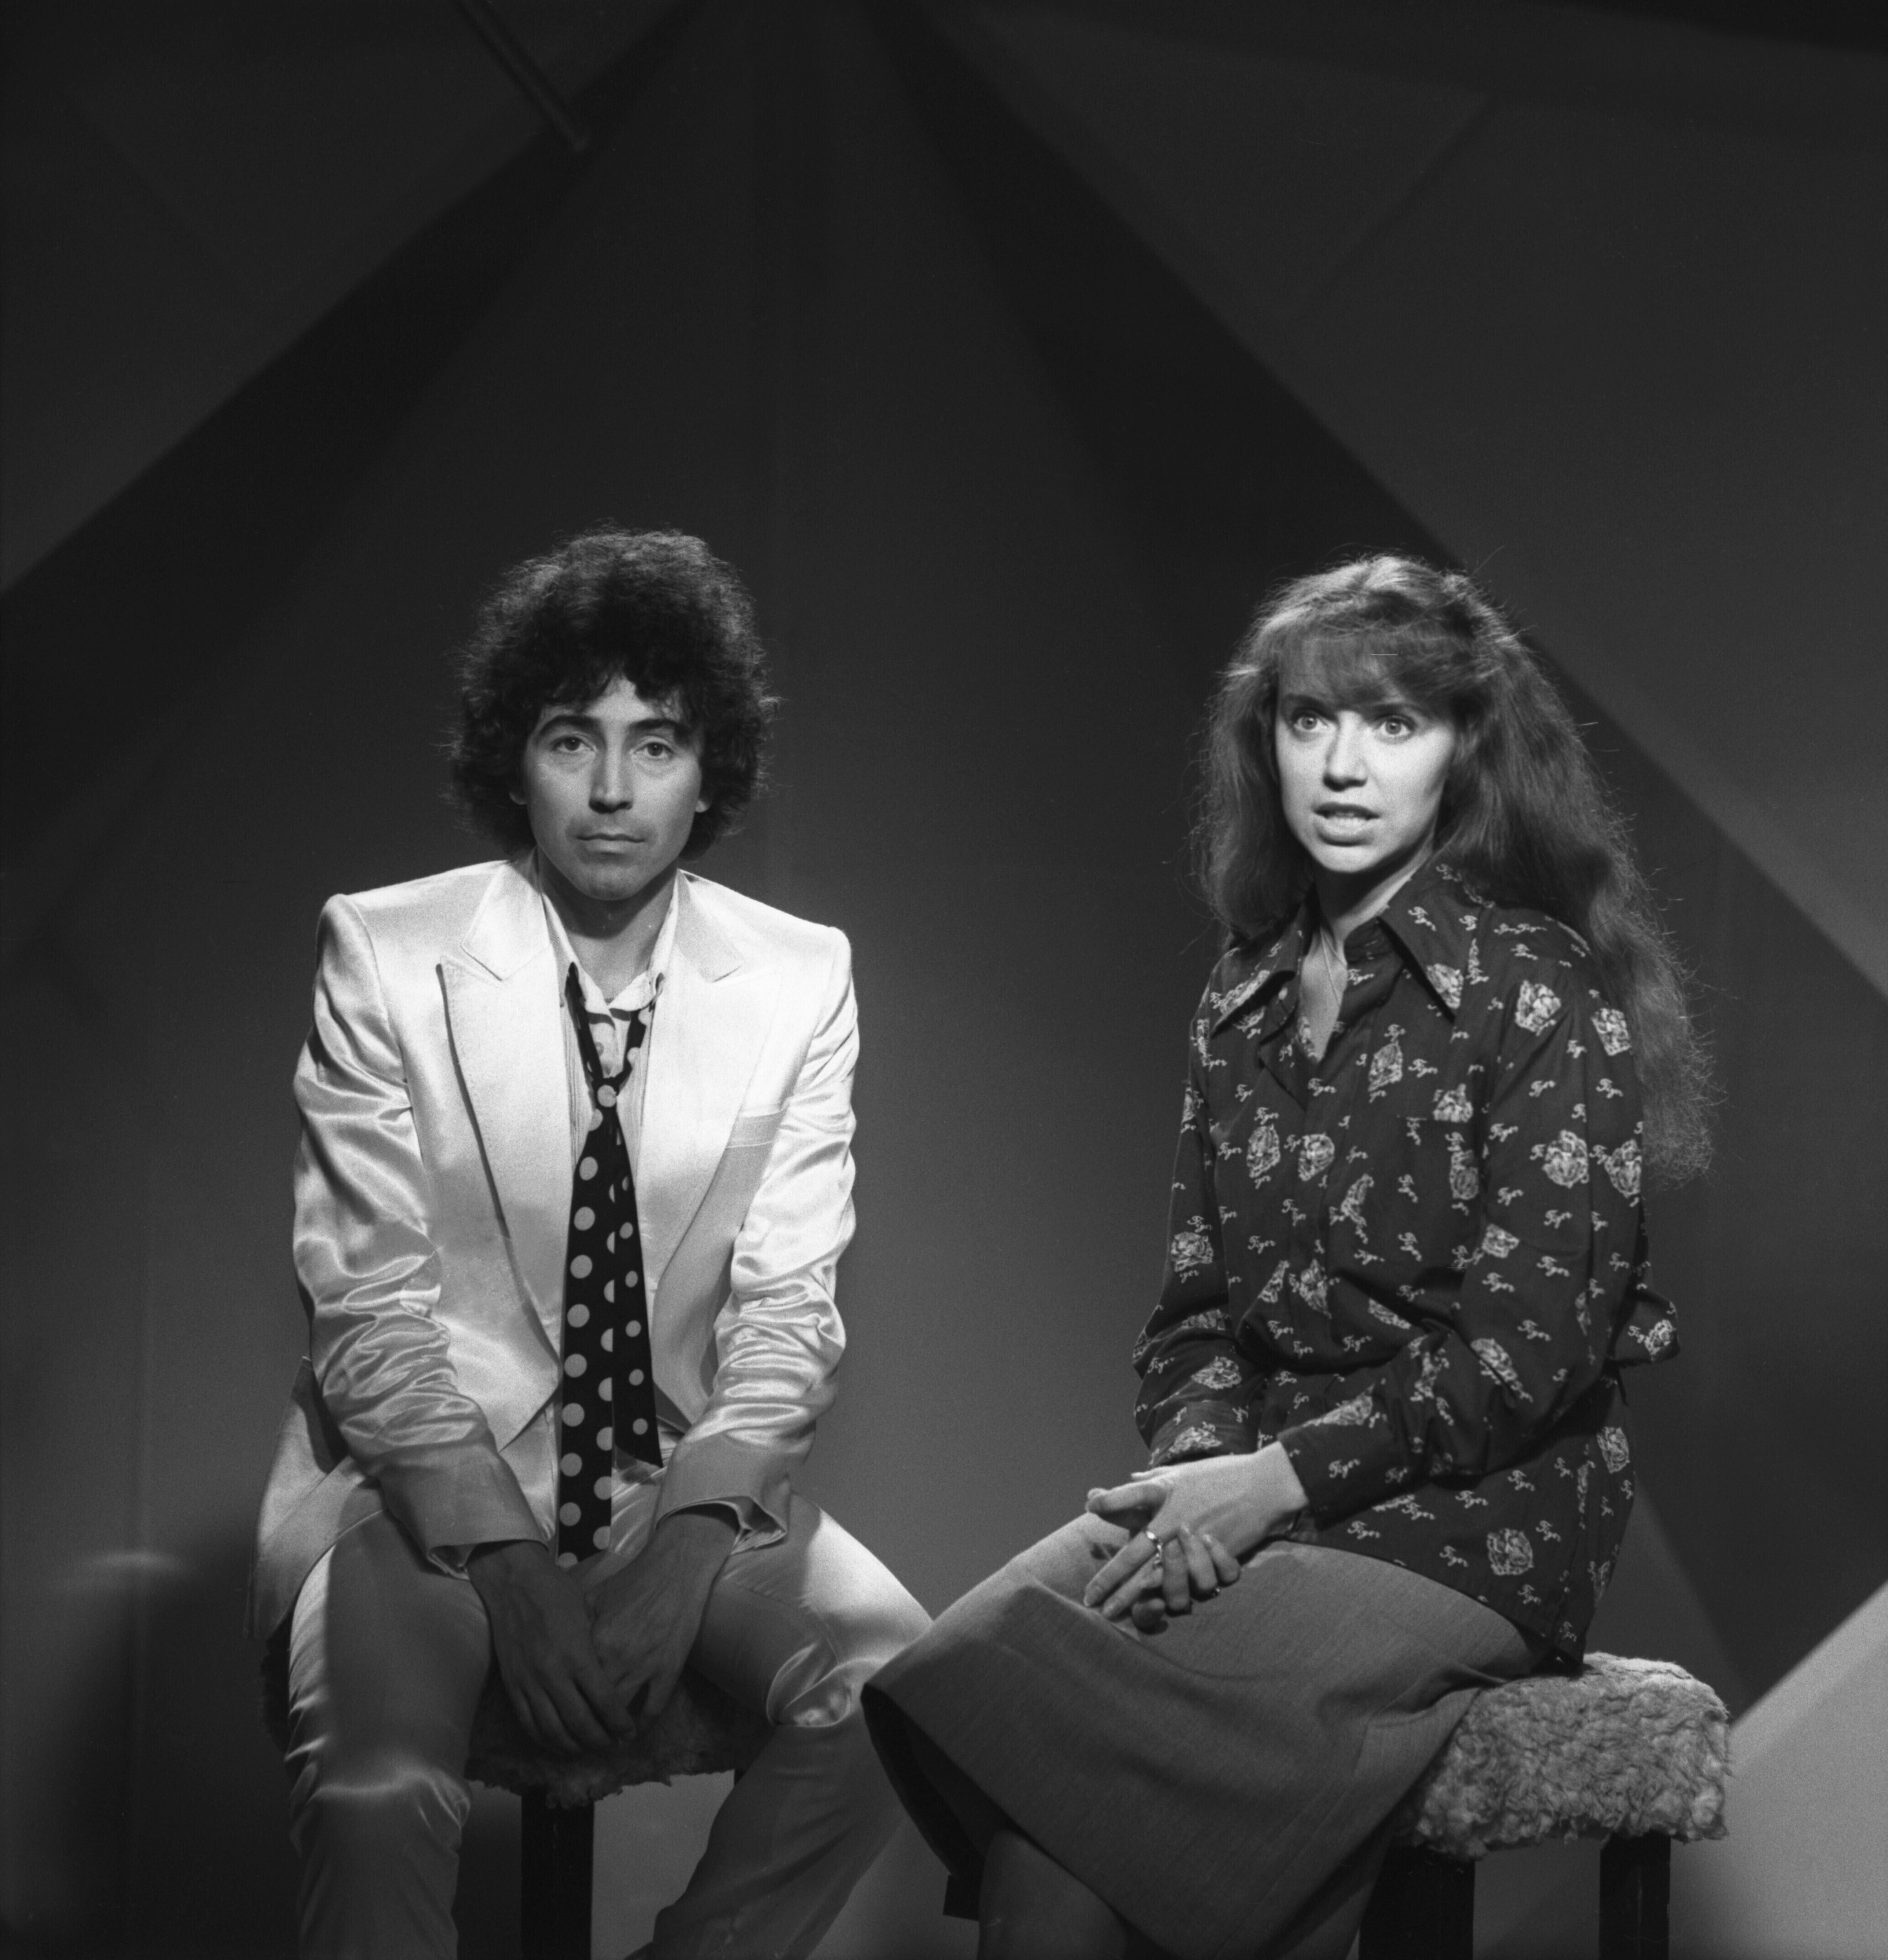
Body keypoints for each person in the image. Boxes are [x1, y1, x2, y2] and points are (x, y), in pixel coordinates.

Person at [863, 555, 1711, 1960]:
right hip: (1258, 1484)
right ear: (1266, 743)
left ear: (1465, 749)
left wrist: (1272, 1486)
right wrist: (1206, 1488)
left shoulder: (1537, 985)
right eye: (1311, 720)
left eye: (1394, 724)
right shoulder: (1244, 988)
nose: (1344, 765)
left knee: (1063, 1815)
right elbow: (1196, 1315)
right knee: (962, 1674)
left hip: (1478, 1515)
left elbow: (1527, 1356)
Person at [250, 528, 929, 1960]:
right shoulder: (385, 950)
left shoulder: (801, 976)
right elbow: (369, 1314)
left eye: (656, 745)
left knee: (891, 1692)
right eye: (575, 740)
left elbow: (788, 1311)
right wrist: (507, 1569)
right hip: (415, 1491)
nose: (614, 790)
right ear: (517, 758)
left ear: (708, 768)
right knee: (376, 1794)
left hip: (666, 1478)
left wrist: (690, 1546)